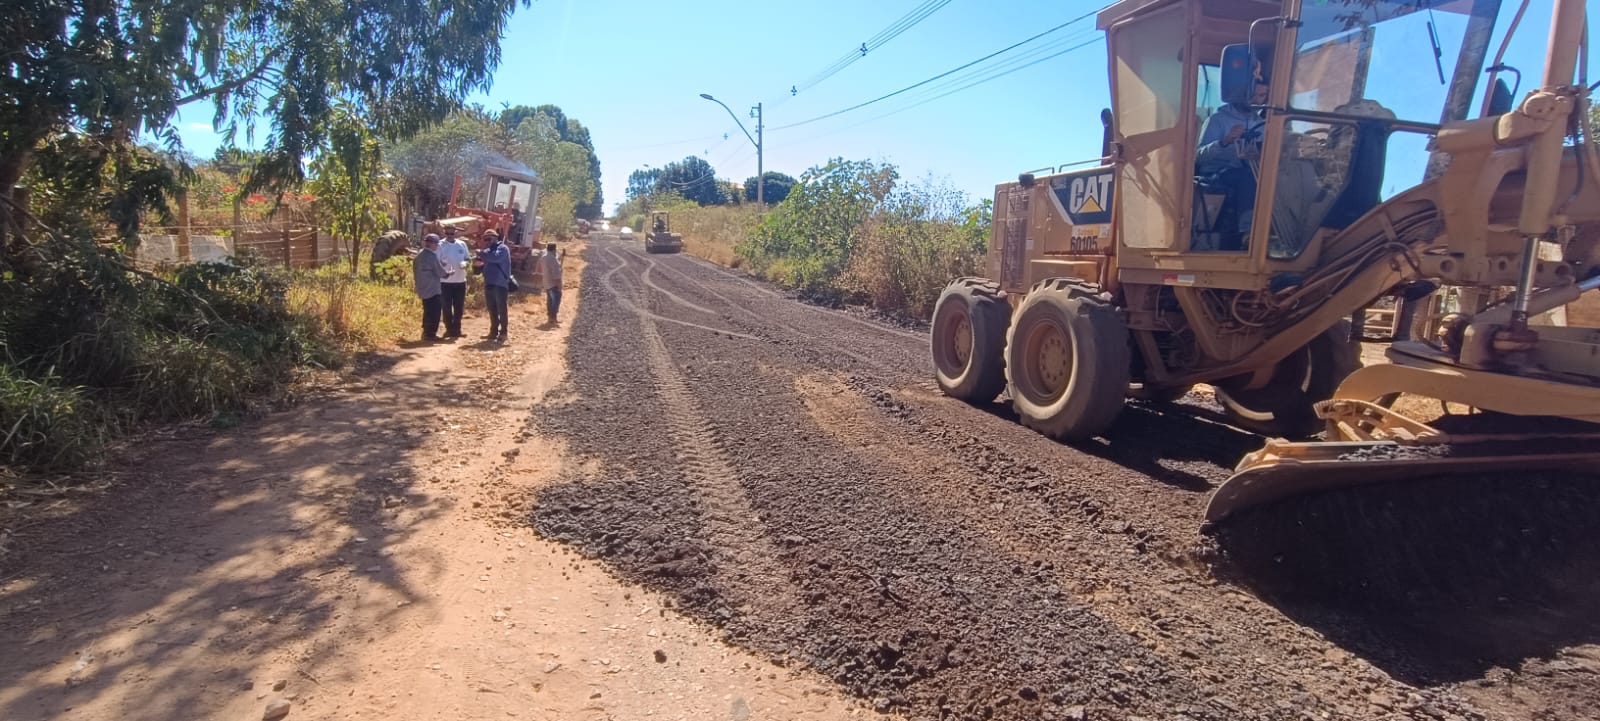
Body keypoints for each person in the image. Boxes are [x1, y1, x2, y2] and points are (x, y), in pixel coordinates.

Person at [1195, 78, 1268, 248]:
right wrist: (1224, 141)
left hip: (1250, 170)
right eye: (1253, 95)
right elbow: (1198, 156)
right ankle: (1247, 233)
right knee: (1246, 178)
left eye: (1262, 96)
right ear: (1241, 94)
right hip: (1217, 173)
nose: (1257, 100)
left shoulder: (1262, 125)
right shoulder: (1218, 120)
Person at [477, 229, 513, 341]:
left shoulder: (503, 248)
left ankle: (503, 332)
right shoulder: (487, 251)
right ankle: (493, 332)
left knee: (501, 309)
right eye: (485, 239)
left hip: (500, 284)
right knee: (492, 309)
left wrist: (482, 253)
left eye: (489, 239)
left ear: (495, 238)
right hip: (489, 282)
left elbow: (495, 258)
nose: (486, 241)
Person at [436, 226, 471, 338]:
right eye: (448, 233)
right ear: (445, 233)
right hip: (445, 282)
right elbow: (436, 262)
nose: (450, 235)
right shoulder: (440, 245)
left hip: (460, 281)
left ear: (456, 232)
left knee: (459, 307)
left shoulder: (462, 244)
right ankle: (449, 329)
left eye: (452, 233)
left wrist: (465, 263)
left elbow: (467, 259)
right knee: (446, 307)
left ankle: (457, 329)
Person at [413, 233, 446, 341]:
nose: (436, 246)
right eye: (436, 244)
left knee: (427, 310)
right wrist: (448, 273)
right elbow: (441, 273)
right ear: (433, 244)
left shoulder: (419, 255)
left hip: (422, 287)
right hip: (432, 288)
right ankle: (430, 334)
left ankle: (426, 332)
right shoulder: (432, 256)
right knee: (435, 311)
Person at [539, 242, 563, 325]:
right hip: (553, 283)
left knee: (549, 300)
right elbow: (556, 273)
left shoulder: (543, 257)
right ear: (554, 249)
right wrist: (559, 284)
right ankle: (553, 318)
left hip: (546, 282)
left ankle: (550, 318)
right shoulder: (553, 259)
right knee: (556, 301)